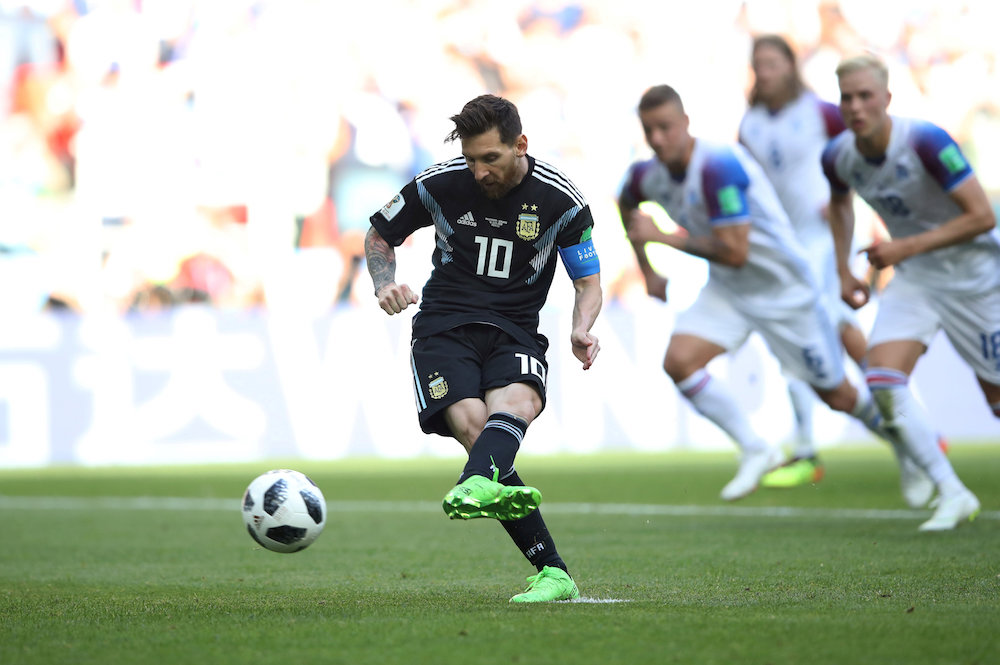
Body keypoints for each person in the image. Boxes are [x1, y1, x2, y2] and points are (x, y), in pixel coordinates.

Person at [365, 94, 602, 602]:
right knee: (476, 427)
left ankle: (480, 488)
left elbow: (588, 282)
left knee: (518, 405)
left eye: (489, 158)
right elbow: (379, 235)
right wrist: (385, 282)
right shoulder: (440, 184)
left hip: (515, 327)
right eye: (471, 159)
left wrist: (582, 327)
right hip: (444, 326)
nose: (478, 171)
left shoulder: (561, 201)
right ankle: (553, 571)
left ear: (520, 146)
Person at [620, 84, 902, 507]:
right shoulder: (647, 174)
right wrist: (648, 270)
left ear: (685, 123)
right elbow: (627, 202)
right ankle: (756, 448)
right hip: (731, 292)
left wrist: (663, 239)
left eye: (665, 127)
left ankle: (911, 445)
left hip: (783, 289)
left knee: (839, 395)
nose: (657, 139)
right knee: (678, 361)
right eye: (649, 130)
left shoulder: (717, 165)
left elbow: (736, 251)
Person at [823, 53, 997, 530]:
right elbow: (839, 206)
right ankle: (952, 491)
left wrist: (905, 246)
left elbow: (984, 216)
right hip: (918, 278)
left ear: (886, 99)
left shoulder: (926, 140)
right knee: (882, 379)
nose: (855, 106)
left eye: (865, 96)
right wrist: (842, 269)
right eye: (847, 98)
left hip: (976, 278)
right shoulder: (838, 156)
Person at [737, 34, 868, 488]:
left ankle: (812, 449)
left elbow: (863, 155)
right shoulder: (749, 124)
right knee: (831, 326)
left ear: (791, 66)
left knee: (807, 331)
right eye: (759, 64)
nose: (766, 72)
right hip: (785, 246)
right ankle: (901, 411)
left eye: (773, 63)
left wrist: (845, 201)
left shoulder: (821, 112)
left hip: (825, 239)